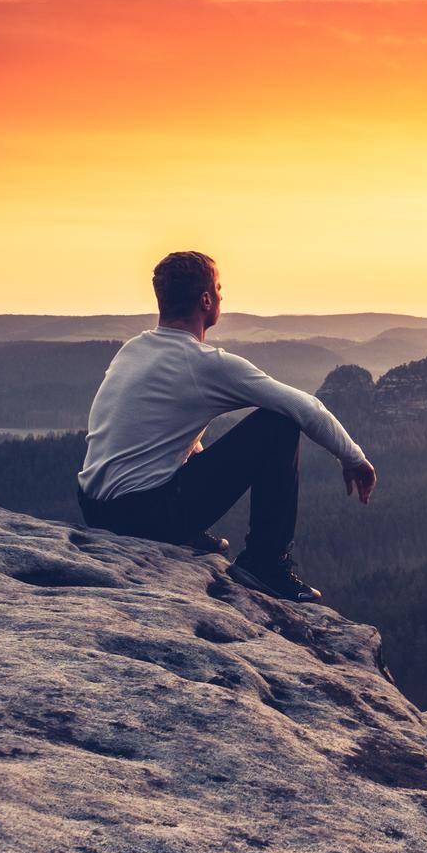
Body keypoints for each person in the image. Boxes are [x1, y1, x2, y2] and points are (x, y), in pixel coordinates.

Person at [75, 251, 376, 601]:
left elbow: (156, 436)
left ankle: (187, 535)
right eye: (218, 288)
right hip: (144, 516)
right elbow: (305, 407)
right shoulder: (201, 363)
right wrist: (354, 459)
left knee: (195, 443)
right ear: (205, 300)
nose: (221, 295)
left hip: (94, 508)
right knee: (278, 424)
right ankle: (267, 563)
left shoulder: (134, 348)